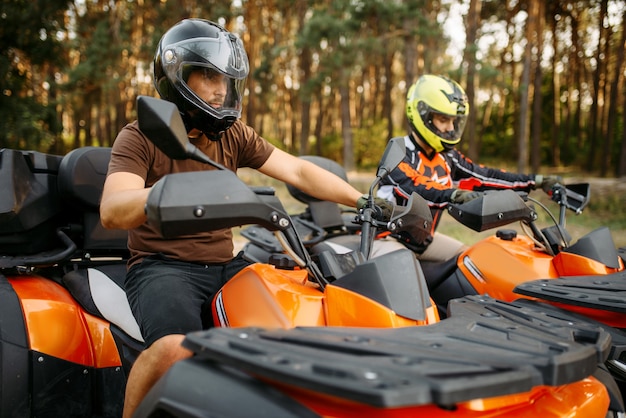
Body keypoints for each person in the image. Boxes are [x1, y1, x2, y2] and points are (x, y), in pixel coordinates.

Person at [99, 18, 383, 418]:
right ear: (177, 74)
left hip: (227, 263)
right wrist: (172, 192)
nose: (221, 90)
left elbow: (298, 171)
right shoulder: (140, 135)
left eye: (227, 80)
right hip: (163, 268)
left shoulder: (231, 135)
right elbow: (113, 210)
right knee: (174, 350)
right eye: (210, 76)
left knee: (294, 319)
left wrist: (363, 200)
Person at [377, 74, 561, 262]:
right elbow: (414, 186)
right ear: (421, 114)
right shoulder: (398, 152)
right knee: (409, 278)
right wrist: (454, 195)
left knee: (474, 262)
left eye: (454, 121)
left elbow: (486, 176)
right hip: (387, 239)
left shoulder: (448, 157)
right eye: (443, 119)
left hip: (424, 242)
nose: (450, 128)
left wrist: (536, 181)